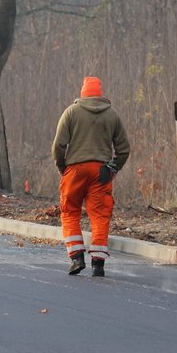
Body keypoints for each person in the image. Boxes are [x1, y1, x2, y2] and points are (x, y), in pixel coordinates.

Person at [51, 76, 130, 277]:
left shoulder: (71, 112)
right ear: (100, 93)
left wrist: (63, 167)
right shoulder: (112, 115)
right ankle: (98, 264)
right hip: (101, 171)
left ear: (83, 92)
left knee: (70, 212)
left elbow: (59, 145)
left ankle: (77, 258)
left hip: (74, 170)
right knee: (100, 216)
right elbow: (124, 149)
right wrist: (113, 168)